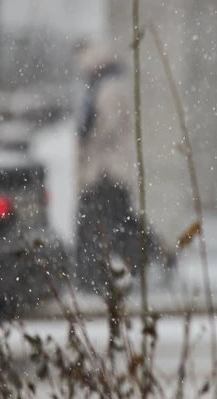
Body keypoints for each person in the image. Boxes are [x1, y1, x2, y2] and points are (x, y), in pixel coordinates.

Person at [74, 41, 174, 295]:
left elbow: (107, 128)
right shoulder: (101, 88)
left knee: (104, 224)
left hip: (106, 171)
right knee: (119, 222)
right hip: (103, 171)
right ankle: (150, 257)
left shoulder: (108, 90)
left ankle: (98, 275)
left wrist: (88, 142)